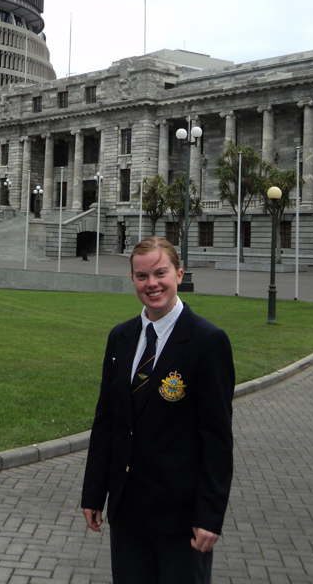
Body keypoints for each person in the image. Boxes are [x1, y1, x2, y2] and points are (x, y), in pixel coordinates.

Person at [81, 236, 234, 584]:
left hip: (180, 519)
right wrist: (93, 492)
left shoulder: (207, 341)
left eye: (160, 273)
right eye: (141, 276)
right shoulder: (120, 337)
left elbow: (217, 439)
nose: (152, 284)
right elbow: (107, 421)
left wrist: (210, 515)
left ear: (179, 274)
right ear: (132, 280)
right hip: (128, 513)